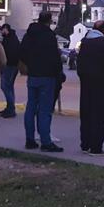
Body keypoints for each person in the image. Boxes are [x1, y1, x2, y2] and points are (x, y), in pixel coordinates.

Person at [19, 11, 65, 152]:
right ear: (49, 21)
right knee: (44, 110)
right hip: (47, 76)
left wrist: (30, 65)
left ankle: (30, 140)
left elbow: (22, 52)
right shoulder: (49, 36)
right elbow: (55, 57)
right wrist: (59, 73)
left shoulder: (29, 34)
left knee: (31, 108)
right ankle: (46, 141)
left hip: (33, 75)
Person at [77, 21, 104, 156]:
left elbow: (78, 64)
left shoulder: (84, 43)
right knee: (98, 115)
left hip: (86, 83)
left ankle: (85, 144)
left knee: (86, 113)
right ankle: (96, 147)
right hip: (101, 83)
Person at [0, 24, 20, 118]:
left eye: (2, 30)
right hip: (14, 66)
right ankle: (10, 107)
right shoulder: (13, 38)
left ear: (6, 29)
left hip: (9, 66)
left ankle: (11, 108)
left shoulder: (9, 40)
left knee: (4, 86)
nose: (1, 32)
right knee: (9, 87)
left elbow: (8, 53)